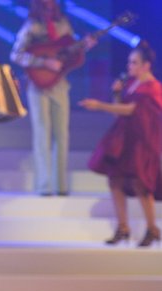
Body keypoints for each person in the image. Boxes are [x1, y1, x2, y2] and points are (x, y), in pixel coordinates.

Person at [79, 41, 162, 247]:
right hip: (124, 138)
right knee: (115, 180)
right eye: (129, 62)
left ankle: (152, 228)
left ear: (146, 65)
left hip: (141, 141)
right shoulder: (133, 83)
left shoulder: (152, 87)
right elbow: (123, 106)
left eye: (134, 63)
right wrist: (116, 94)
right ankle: (123, 227)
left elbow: (131, 110)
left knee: (140, 183)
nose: (129, 66)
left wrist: (99, 105)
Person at [10, 0, 96, 196]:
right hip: (37, 84)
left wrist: (84, 47)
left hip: (59, 84)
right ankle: (44, 185)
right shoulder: (31, 26)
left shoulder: (63, 24)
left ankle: (61, 185)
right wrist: (42, 62)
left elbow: (69, 52)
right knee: (42, 133)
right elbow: (16, 54)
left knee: (62, 134)